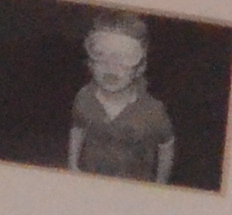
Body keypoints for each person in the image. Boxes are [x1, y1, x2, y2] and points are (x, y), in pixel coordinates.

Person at [69, 13, 176, 181]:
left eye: (125, 57)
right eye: (100, 54)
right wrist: (72, 165)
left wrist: (160, 184)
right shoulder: (84, 97)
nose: (111, 66)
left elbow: (166, 146)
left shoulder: (153, 111)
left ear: (140, 68)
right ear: (90, 63)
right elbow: (78, 129)